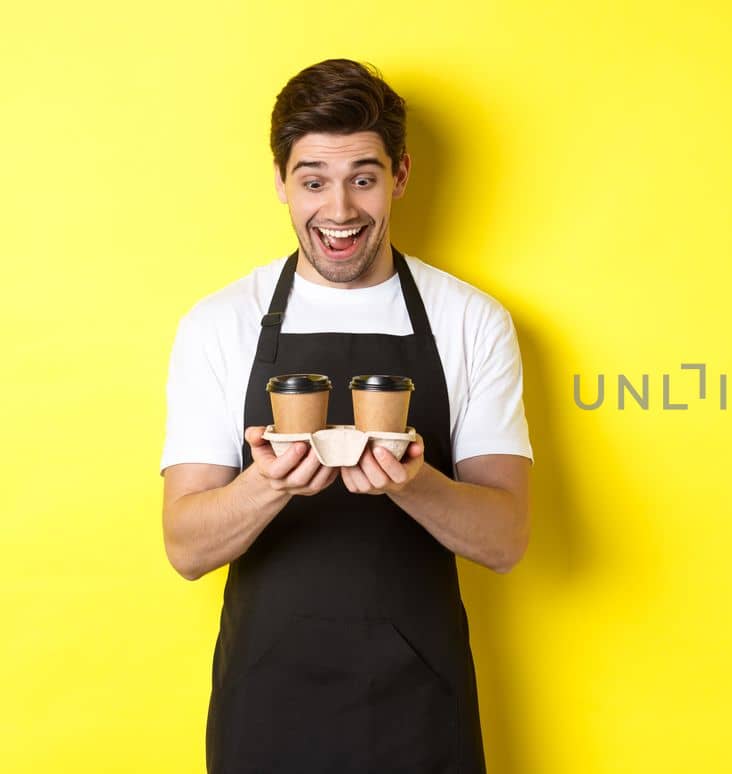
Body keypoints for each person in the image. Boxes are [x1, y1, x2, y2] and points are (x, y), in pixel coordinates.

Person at [159, 59, 532, 773]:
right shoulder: (220, 324)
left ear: (400, 176)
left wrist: (408, 482)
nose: (338, 210)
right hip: (264, 706)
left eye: (363, 177)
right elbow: (186, 547)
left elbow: (507, 539)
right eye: (313, 180)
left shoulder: (470, 321)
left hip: (421, 710)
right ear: (280, 182)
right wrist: (269, 483)